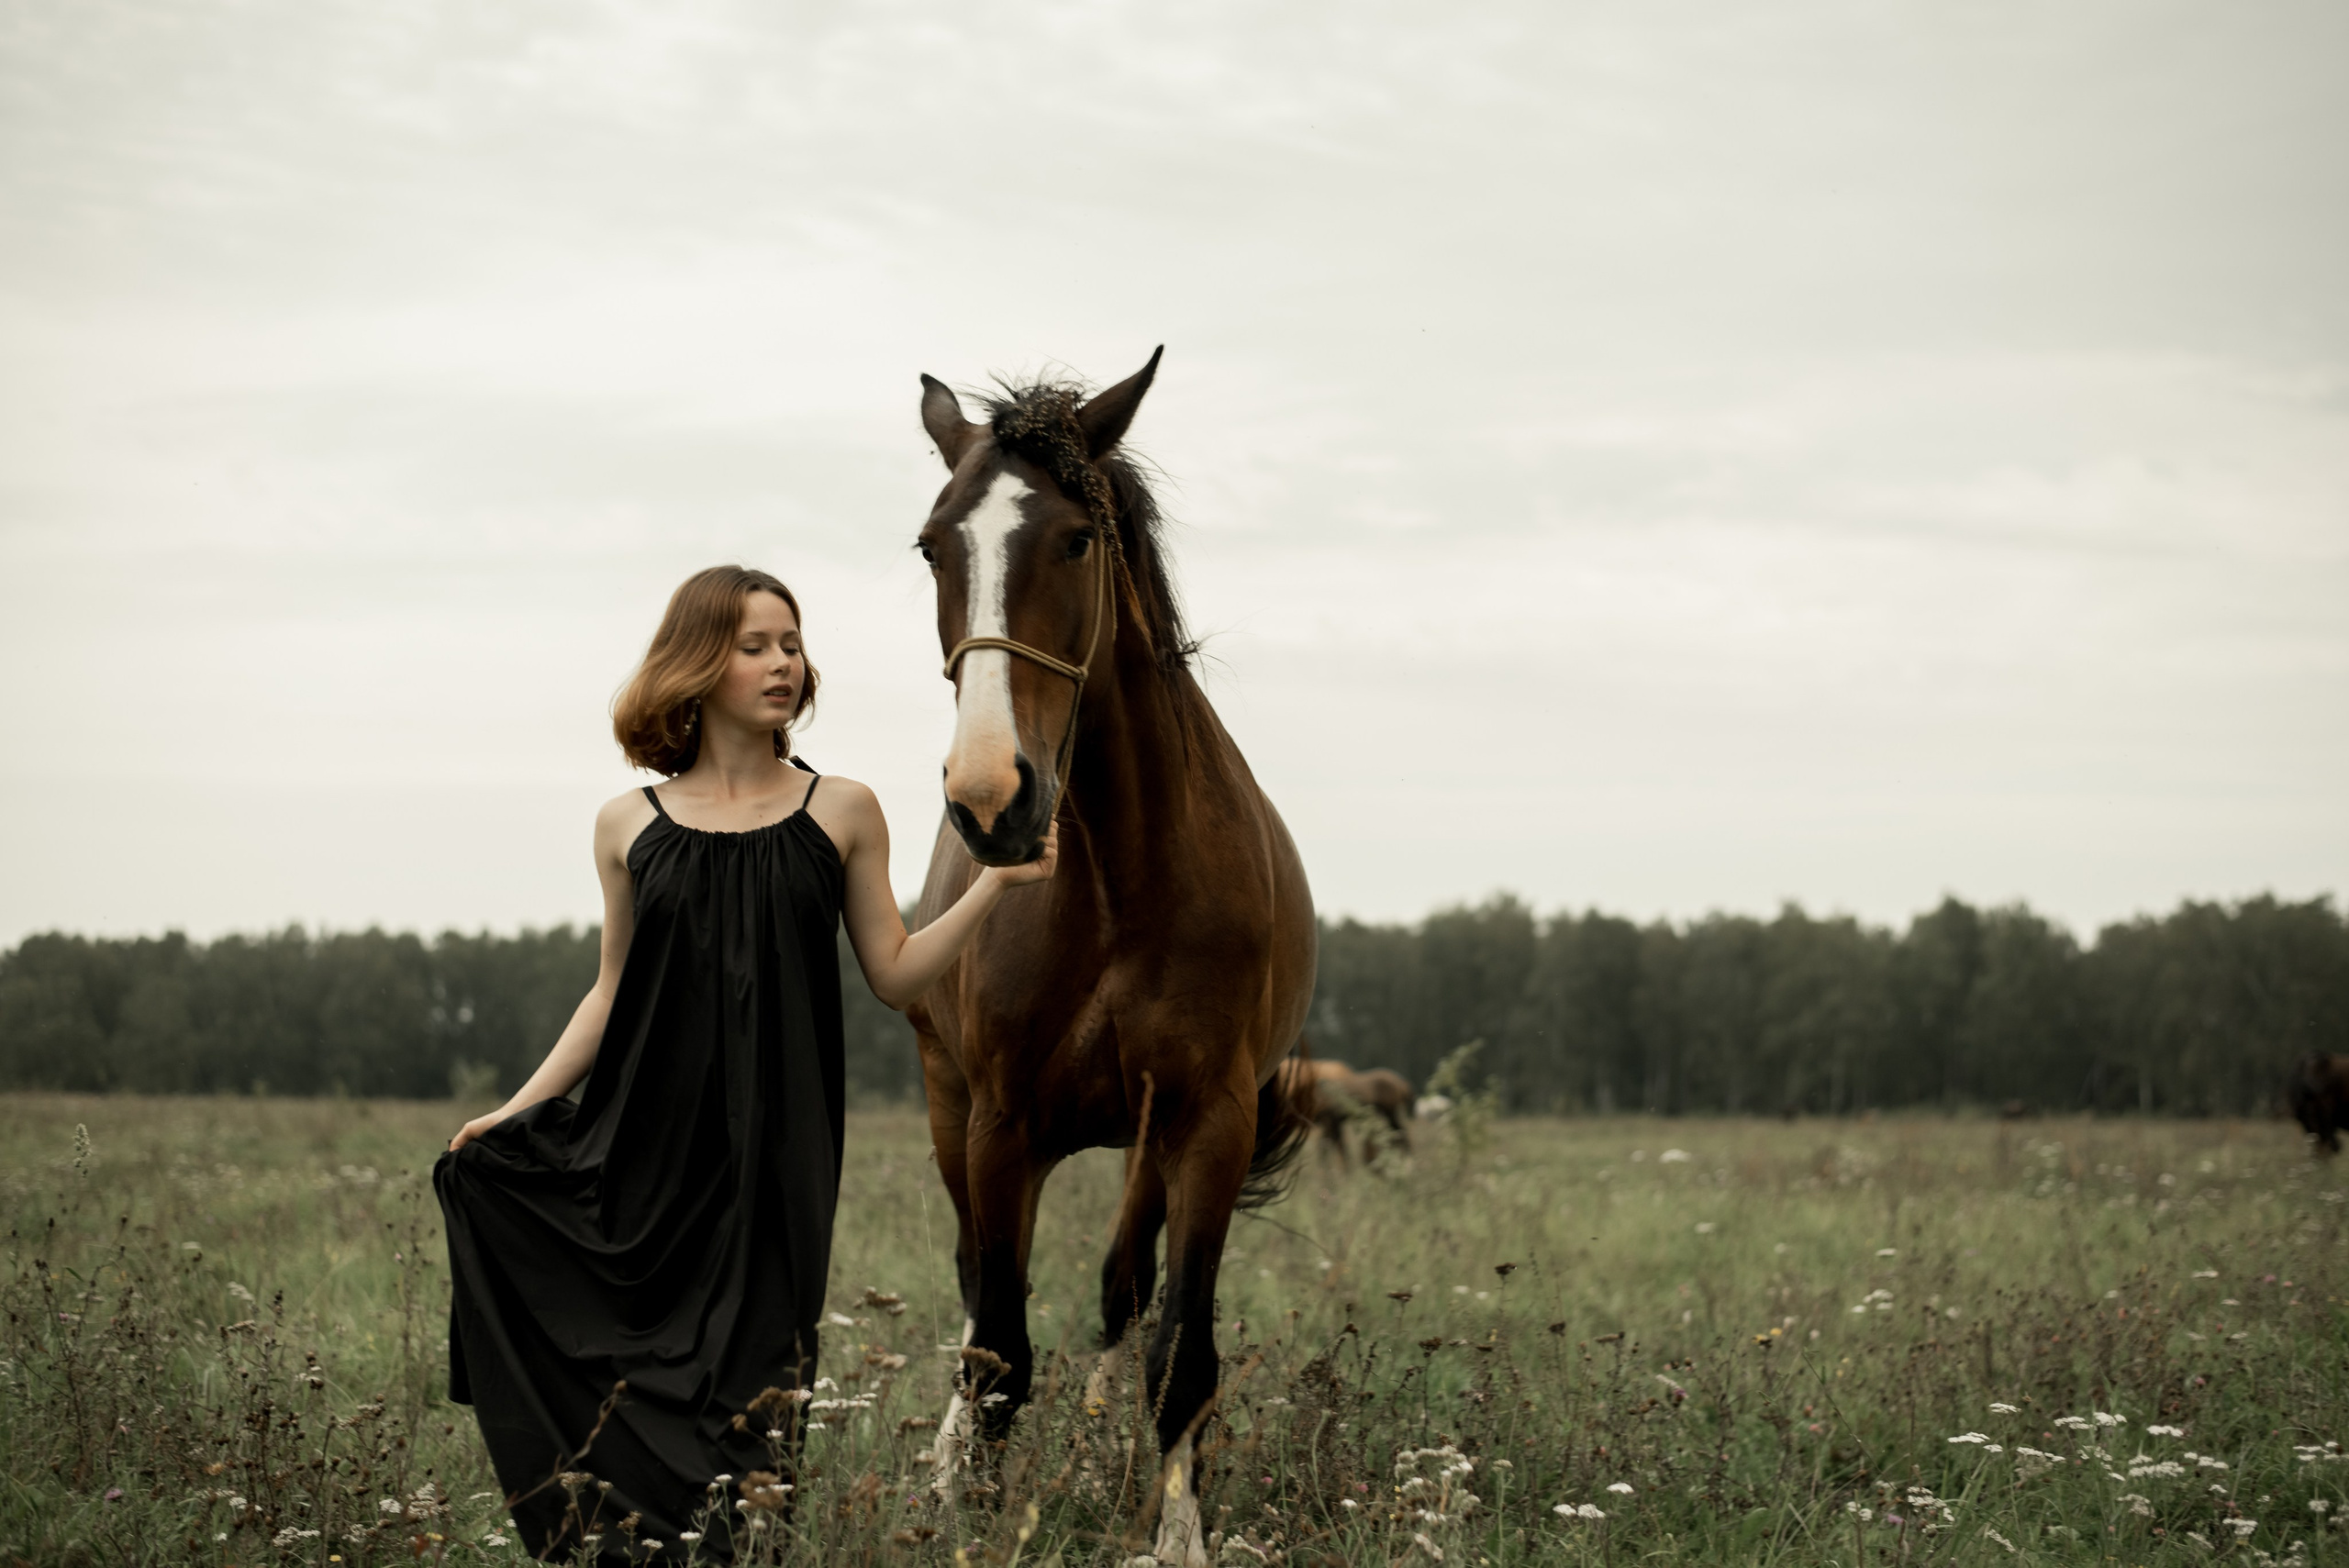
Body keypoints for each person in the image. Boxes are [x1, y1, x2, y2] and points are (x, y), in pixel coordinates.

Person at [433, 565, 1054, 1561]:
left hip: (780, 1147)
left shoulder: (840, 808)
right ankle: (625, 1544)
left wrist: (992, 885)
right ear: (695, 662)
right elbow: (608, 994)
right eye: (752, 644)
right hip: (645, 1136)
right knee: (629, 1354)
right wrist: (514, 1110)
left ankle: (732, 1545)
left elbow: (894, 973)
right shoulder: (625, 824)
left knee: (757, 1372)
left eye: (791, 643)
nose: (780, 663)